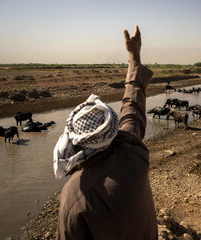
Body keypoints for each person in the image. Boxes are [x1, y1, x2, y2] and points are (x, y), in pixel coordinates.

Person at [54, 25, 158, 239]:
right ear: (111, 132)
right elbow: (132, 108)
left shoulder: (74, 194)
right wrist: (134, 55)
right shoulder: (130, 149)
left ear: (76, 143)